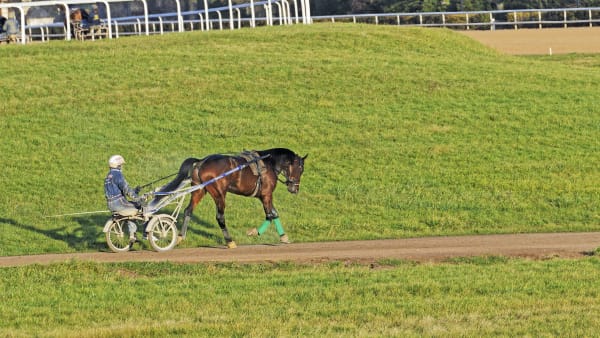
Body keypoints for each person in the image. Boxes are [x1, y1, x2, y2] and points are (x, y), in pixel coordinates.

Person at [104, 155, 146, 242]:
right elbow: (126, 189)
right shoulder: (118, 174)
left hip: (111, 204)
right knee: (139, 207)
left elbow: (119, 190)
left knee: (131, 208)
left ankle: (133, 234)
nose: (122, 166)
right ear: (118, 165)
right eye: (121, 165)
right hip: (119, 203)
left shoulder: (109, 175)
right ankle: (138, 234)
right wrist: (138, 198)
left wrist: (135, 191)